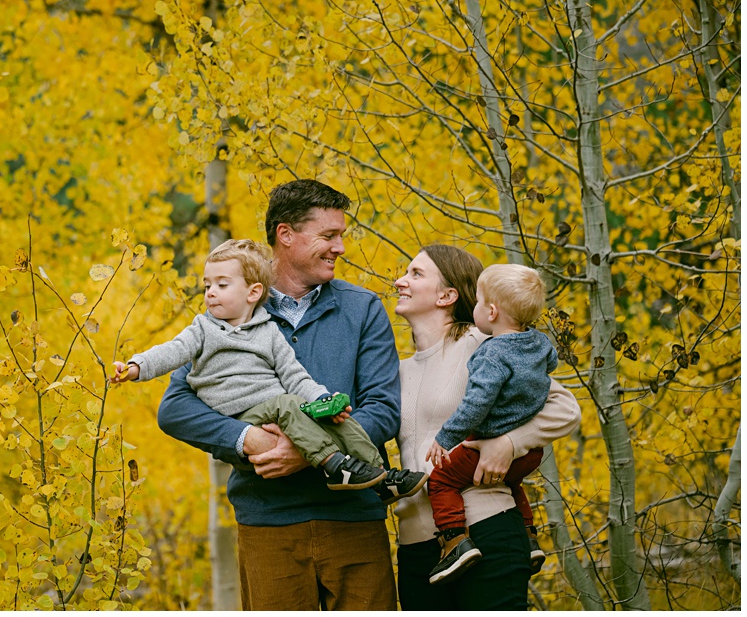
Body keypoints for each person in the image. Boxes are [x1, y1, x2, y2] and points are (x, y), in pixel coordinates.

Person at [156, 180, 403, 610]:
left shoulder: (363, 309)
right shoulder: (228, 311)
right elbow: (175, 408)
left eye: (340, 235)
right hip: (268, 521)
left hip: (355, 521)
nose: (340, 247)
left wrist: (306, 450)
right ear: (285, 235)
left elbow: (383, 409)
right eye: (328, 236)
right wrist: (250, 440)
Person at [113, 238, 427, 498]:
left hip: (277, 408)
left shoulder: (268, 332)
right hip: (241, 412)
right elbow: (171, 351)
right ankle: (335, 465)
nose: (210, 292)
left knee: (334, 418)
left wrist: (321, 402)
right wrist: (136, 366)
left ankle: (381, 477)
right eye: (207, 284)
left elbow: (294, 375)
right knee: (288, 404)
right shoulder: (202, 329)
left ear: (252, 293)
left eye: (222, 285)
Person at [392, 244, 581, 610]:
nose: (400, 281)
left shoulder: (485, 346)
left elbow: (565, 408)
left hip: (486, 530)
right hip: (416, 548)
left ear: (447, 295)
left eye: (415, 274)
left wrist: (509, 443)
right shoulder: (398, 371)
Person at [424, 264, 558, 584]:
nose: (476, 308)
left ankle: (456, 541)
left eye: (480, 302)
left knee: (441, 479)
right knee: (511, 483)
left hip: (485, 447)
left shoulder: (492, 354)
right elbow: (551, 362)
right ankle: (529, 537)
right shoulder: (539, 343)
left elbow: (477, 404)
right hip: (530, 452)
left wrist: (445, 437)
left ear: (492, 311)